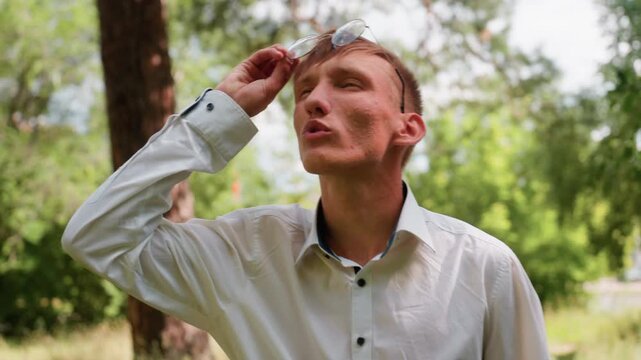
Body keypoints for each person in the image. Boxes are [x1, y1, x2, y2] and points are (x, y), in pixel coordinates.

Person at [62, 20, 549, 359]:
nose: (315, 101)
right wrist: (219, 114)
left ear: (409, 127)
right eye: (304, 91)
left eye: (349, 84)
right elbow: (99, 235)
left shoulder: (486, 269)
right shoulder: (243, 255)